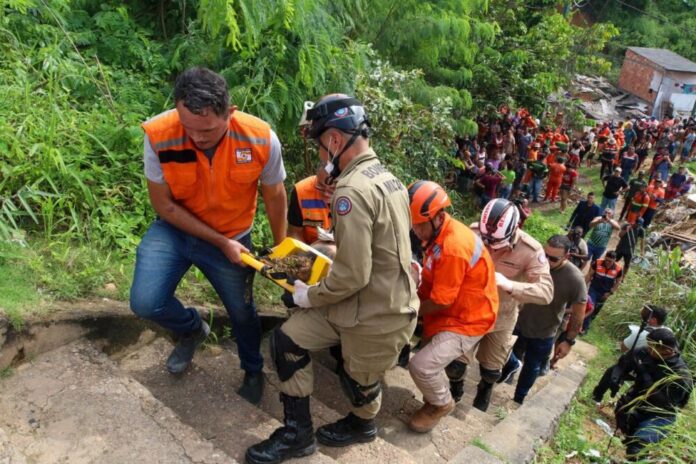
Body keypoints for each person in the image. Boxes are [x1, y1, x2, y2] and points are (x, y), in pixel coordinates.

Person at [246, 94, 418, 464]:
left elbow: (353, 274)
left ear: (336, 141)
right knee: (287, 339)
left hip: (374, 315)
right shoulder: (389, 179)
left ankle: (362, 424)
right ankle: (297, 434)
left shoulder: (351, 190)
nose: (322, 158)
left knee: (359, 380)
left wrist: (308, 296)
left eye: (322, 148)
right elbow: (375, 249)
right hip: (365, 301)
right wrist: (330, 245)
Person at [130, 68, 287, 405]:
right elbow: (164, 205)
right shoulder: (159, 133)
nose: (197, 138)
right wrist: (219, 242)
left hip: (234, 234)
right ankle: (191, 330)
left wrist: (281, 248)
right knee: (145, 302)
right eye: (188, 128)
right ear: (176, 110)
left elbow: (274, 196)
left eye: (208, 130)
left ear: (229, 113)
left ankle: (253, 369)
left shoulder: (261, 138)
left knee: (243, 312)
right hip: (174, 230)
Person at [406, 181, 499, 432]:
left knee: (421, 366)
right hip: (454, 308)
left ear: (436, 217)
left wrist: (410, 309)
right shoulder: (439, 234)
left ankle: (441, 403)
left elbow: (441, 300)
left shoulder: (453, 247)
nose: (414, 230)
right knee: (426, 358)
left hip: (469, 319)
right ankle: (434, 394)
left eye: (418, 224)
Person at [445, 199, 553, 412]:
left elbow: (546, 292)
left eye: (496, 242)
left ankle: (484, 392)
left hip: (500, 318)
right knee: (455, 364)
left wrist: (510, 284)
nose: (489, 245)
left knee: (491, 368)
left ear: (515, 230)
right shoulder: (474, 232)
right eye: (486, 240)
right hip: (468, 313)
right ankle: (454, 393)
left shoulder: (530, 250)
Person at [498, 235, 587, 404]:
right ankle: (498, 382)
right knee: (504, 354)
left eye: (553, 259)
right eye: (544, 255)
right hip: (517, 321)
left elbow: (578, 313)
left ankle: (518, 399)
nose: (546, 261)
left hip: (544, 330)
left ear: (567, 256)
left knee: (531, 366)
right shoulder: (534, 263)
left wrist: (568, 340)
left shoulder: (574, 279)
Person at [613, 329, 692, 461]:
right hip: (637, 402)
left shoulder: (681, 376)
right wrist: (616, 379)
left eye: (651, 347)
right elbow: (622, 365)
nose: (647, 349)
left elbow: (663, 402)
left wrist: (645, 376)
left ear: (666, 350)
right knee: (625, 424)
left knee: (637, 446)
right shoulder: (645, 352)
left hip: (660, 415)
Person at [287, 163, 333, 244]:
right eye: (321, 186)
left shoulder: (353, 192)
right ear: (317, 176)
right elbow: (294, 232)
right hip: (309, 249)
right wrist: (305, 254)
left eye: (332, 189)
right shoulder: (301, 191)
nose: (326, 194)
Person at [583, 250, 622, 332]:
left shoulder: (618, 269)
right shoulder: (597, 263)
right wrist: (583, 286)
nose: (607, 262)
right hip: (593, 289)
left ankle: (587, 324)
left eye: (610, 261)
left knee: (596, 311)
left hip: (605, 293)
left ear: (614, 260)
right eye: (606, 260)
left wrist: (610, 293)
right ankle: (584, 328)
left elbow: (618, 282)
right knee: (590, 307)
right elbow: (589, 275)